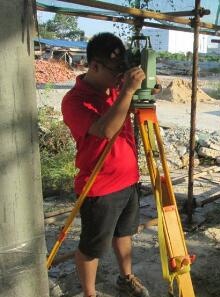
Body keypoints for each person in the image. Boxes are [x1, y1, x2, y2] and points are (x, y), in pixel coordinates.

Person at [62, 32, 159, 297]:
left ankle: (126, 278)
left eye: (123, 70)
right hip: (100, 186)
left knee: (124, 234)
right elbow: (106, 130)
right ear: (94, 66)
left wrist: (144, 88)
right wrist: (127, 90)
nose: (120, 77)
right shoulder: (74, 101)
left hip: (128, 181)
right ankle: (90, 293)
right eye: (116, 70)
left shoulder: (115, 89)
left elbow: (131, 106)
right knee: (92, 247)